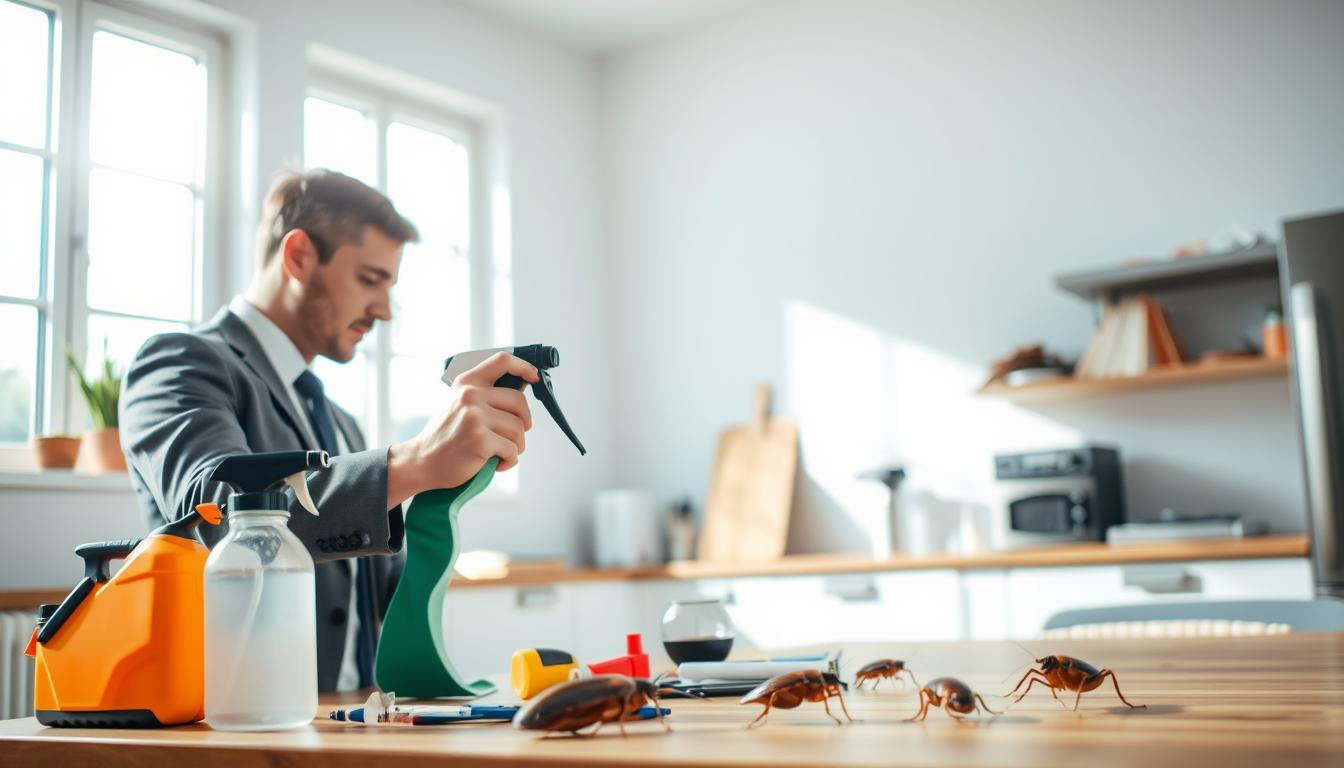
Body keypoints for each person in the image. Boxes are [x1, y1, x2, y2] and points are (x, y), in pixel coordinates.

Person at [120, 169, 536, 692]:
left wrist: (438, 494)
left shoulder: (340, 421)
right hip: (247, 721)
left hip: (357, 716)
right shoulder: (180, 363)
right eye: (370, 280)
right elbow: (216, 516)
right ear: (298, 256)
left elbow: (373, 590)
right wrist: (413, 461)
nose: (384, 311)